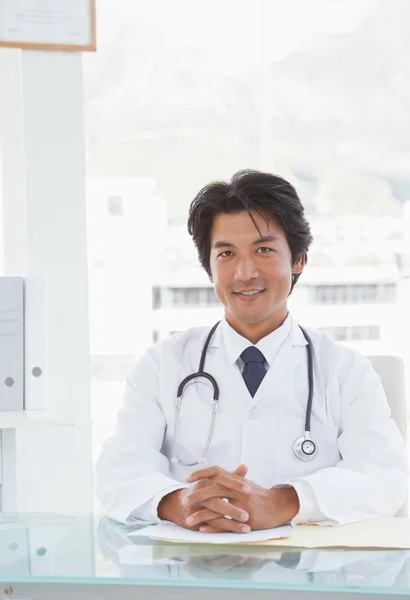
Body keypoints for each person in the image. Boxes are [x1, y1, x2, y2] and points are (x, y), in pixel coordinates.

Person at [96, 169, 408, 533]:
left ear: (298, 260)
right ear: (209, 270)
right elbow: (118, 469)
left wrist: (283, 502)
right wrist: (179, 503)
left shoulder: (346, 371)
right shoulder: (161, 365)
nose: (244, 272)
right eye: (226, 253)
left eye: (263, 250)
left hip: (308, 582)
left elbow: (385, 476)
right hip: (189, 576)